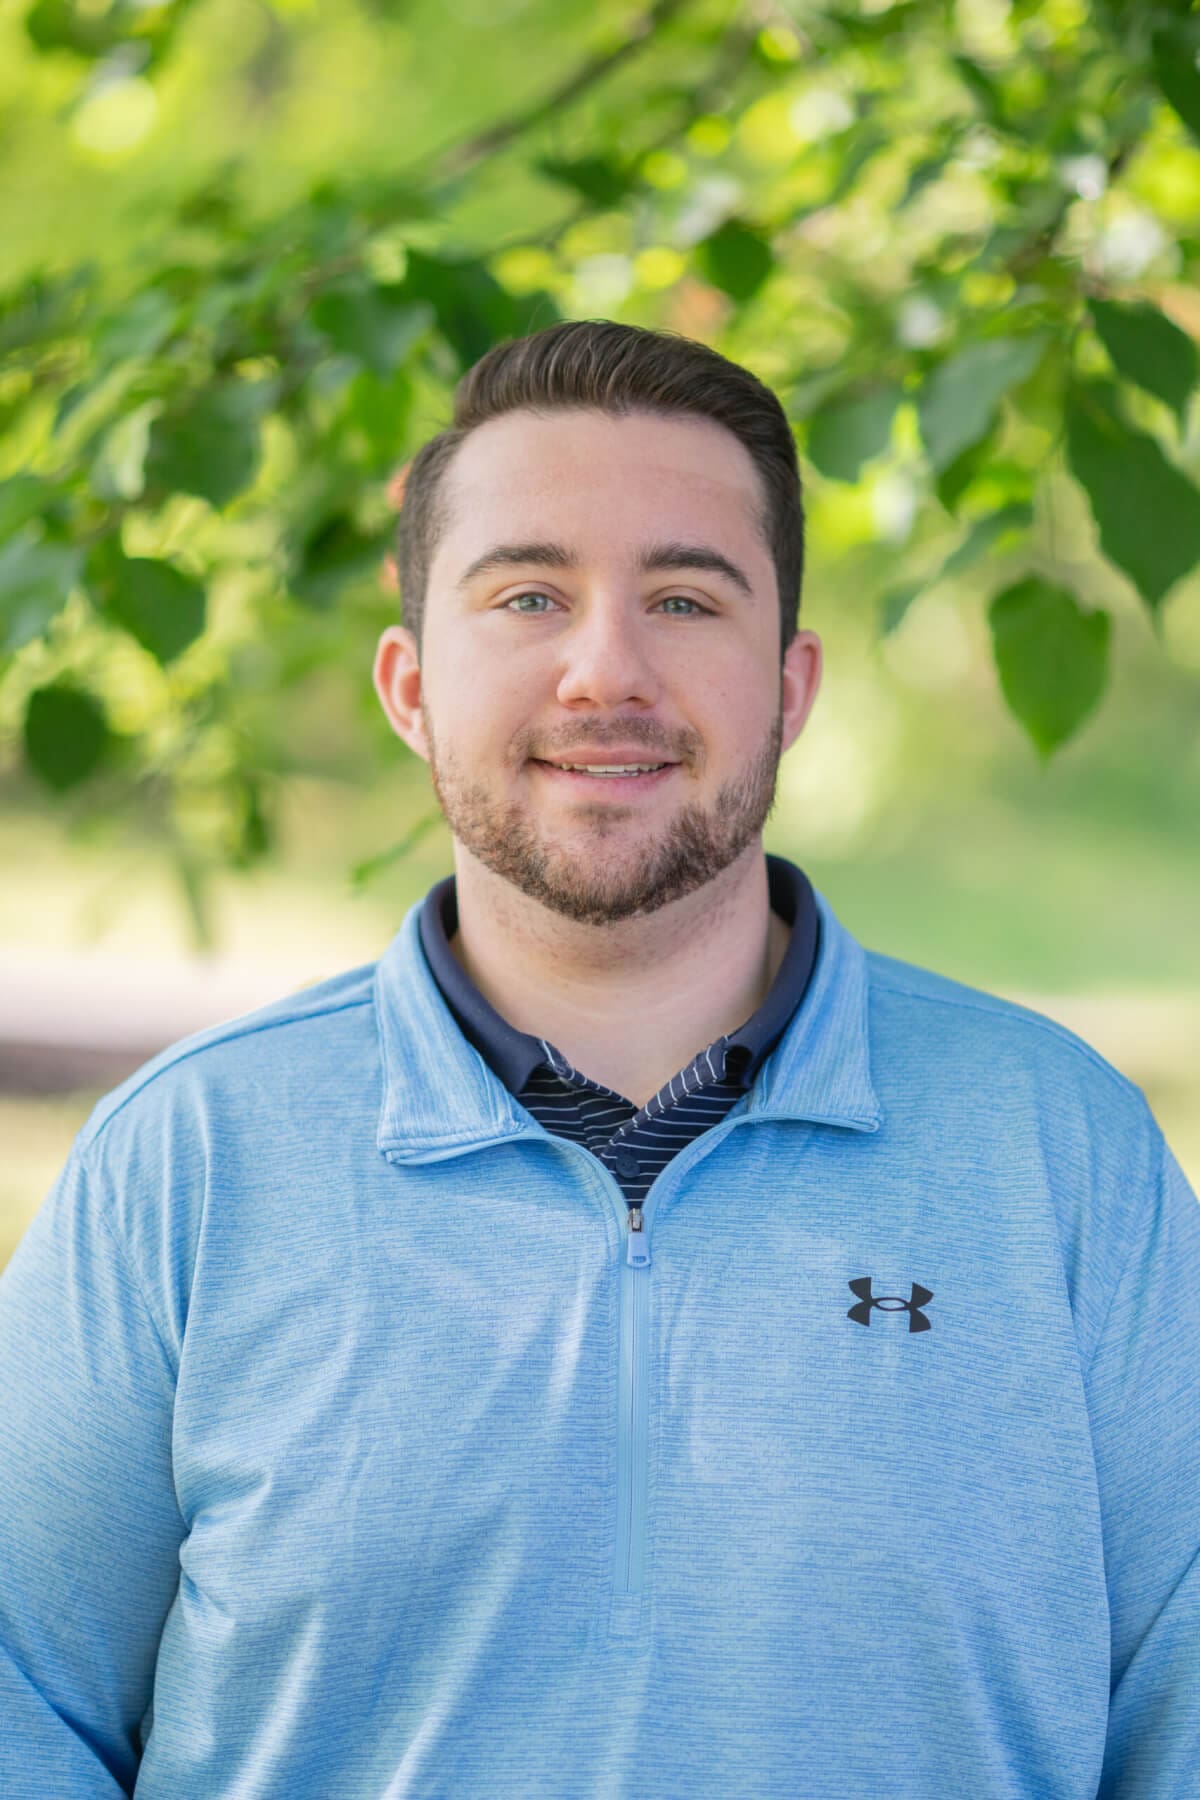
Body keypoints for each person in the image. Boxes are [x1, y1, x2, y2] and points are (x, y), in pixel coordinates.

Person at [1, 319, 1197, 1800]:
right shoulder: (185, 1165)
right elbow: (22, 1700)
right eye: (527, 595)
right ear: (410, 687)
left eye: (686, 598)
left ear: (791, 687)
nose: (603, 670)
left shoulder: (1057, 1148)